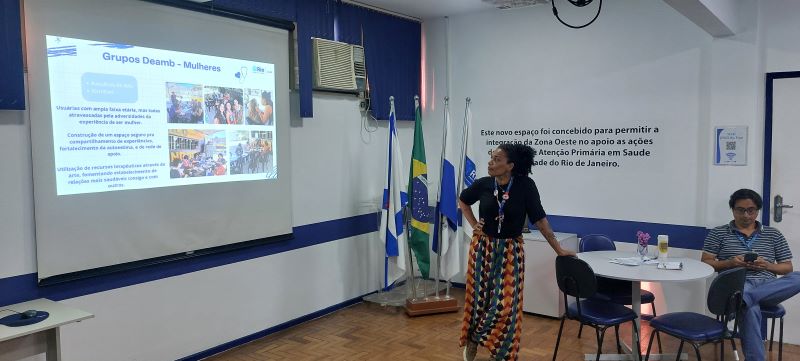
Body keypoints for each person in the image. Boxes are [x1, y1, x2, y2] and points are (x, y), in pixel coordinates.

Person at [458, 143, 574, 361]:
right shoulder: (483, 184)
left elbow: (540, 220)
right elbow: (463, 202)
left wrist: (558, 249)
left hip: (511, 252)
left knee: (506, 307)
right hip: (482, 250)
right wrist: (474, 225)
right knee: (479, 301)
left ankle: (493, 347)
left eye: (497, 159)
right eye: (491, 158)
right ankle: (476, 343)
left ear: (511, 165)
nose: (491, 162)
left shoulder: (525, 186)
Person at [701, 188, 800, 361]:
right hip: (735, 284)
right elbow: (706, 263)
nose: (746, 215)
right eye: (741, 210)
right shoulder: (718, 233)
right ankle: (745, 300)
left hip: (768, 288)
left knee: (797, 277)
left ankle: (743, 300)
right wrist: (730, 263)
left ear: (757, 210)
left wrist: (767, 265)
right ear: (733, 209)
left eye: (751, 210)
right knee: (751, 308)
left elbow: (787, 268)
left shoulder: (773, 234)